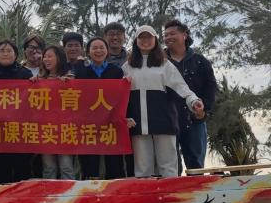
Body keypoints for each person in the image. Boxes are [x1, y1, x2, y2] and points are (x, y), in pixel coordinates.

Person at [123, 25, 203, 178]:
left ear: (155, 40)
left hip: (164, 123)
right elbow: (119, 94)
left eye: (149, 37)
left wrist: (194, 101)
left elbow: (181, 87)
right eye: (141, 37)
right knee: (143, 169)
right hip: (138, 125)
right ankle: (146, 194)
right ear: (136, 41)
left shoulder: (165, 64)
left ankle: (170, 194)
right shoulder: (127, 67)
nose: (145, 40)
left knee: (168, 168)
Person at [163, 18, 217, 171]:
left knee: (196, 167)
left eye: (172, 33)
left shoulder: (200, 61)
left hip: (194, 120)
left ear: (184, 35)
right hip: (167, 122)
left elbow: (210, 88)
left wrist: (203, 110)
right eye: (165, 35)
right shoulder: (159, 61)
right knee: (171, 168)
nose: (168, 37)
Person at [71, 36, 126, 179]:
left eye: (102, 48)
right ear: (88, 52)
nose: (98, 51)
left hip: (111, 123)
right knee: (89, 162)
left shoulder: (116, 71)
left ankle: (115, 189)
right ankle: (90, 190)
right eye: (94, 48)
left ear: (107, 51)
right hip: (87, 123)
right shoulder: (80, 70)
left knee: (114, 162)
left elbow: (122, 97)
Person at [0, 40, 32, 183]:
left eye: (9, 51)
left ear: (16, 54)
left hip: (19, 131)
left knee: (20, 169)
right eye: (2, 51)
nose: (5, 54)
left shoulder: (26, 75)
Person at [36, 44, 76, 180]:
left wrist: (69, 85)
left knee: (66, 166)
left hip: (65, 129)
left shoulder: (69, 77)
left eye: (50, 56)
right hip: (45, 129)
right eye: (45, 57)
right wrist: (32, 83)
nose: (46, 59)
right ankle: (49, 193)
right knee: (49, 167)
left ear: (59, 58)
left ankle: (69, 192)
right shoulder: (40, 79)